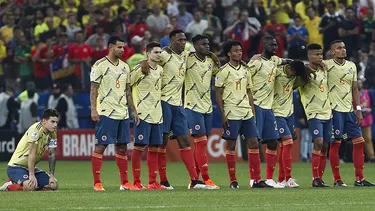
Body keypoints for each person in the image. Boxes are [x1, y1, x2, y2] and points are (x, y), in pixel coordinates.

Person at [141, 29, 210, 190]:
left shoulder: (186, 55)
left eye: (184, 40)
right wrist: (143, 62)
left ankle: (194, 180)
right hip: (164, 101)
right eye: (179, 40)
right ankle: (161, 181)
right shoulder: (164, 54)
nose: (182, 42)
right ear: (171, 41)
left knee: (184, 140)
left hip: (178, 105)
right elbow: (151, 60)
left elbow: (202, 53)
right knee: (162, 142)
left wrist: (212, 55)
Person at [216, 40, 270, 189]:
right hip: (231, 112)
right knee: (231, 144)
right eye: (235, 51)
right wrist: (222, 114)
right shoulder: (223, 71)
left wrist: (252, 110)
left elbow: (248, 91)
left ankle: (257, 180)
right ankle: (233, 180)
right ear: (228, 53)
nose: (238, 53)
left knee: (254, 143)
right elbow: (218, 94)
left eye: (240, 50)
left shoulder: (246, 70)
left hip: (246, 112)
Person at [90, 36, 140, 191]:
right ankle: (97, 182)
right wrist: (93, 109)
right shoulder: (99, 65)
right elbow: (94, 89)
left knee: (122, 147)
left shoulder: (125, 67)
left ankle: (124, 183)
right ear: (110, 47)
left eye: (123, 47)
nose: (122, 50)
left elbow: (127, 91)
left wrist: (133, 110)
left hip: (123, 112)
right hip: (106, 111)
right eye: (119, 47)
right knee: (101, 145)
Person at [324, 40, 375, 187]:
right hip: (334, 110)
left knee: (359, 142)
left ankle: (360, 179)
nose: (343, 50)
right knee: (336, 144)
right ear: (332, 52)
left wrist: (358, 109)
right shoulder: (326, 65)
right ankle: (337, 179)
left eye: (344, 47)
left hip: (349, 110)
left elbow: (355, 89)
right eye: (339, 48)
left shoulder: (351, 66)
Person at [247, 35, 291, 188]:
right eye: (272, 45)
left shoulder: (274, 61)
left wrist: (308, 64)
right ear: (263, 44)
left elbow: (287, 62)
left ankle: (269, 179)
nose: (274, 48)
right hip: (256, 106)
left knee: (273, 142)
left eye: (276, 45)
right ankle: (254, 178)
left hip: (269, 108)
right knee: (254, 142)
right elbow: (245, 76)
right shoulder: (255, 63)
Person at [185, 34, 220, 189]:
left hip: (207, 106)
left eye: (208, 44)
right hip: (192, 105)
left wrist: (214, 56)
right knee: (201, 141)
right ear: (194, 46)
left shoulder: (211, 61)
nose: (206, 46)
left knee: (201, 144)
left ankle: (195, 180)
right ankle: (206, 179)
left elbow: (218, 72)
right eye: (202, 44)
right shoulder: (187, 59)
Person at [129, 42, 166, 190]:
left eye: (160, 52)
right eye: (155, 52)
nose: (158, 54)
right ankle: (137, 182)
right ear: (148, 53)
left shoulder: (161, 70)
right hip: (143, 113)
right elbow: (127, 87)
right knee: (139, 147)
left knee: (155, 147)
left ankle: (152, 182)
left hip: (157, 113)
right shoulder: (140, 68)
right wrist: (133, 110)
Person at [0, 109, 59, 191]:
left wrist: (52, 176)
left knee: (53, 186)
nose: (55, 125)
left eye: (56, 122)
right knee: (30, 186)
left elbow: (51, 155)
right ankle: (8, 186)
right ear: (44, 121)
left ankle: (17, 182)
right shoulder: (35, 130)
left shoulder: (53, 134)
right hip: (16, 167)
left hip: (30, 168)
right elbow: (32, 153)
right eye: (52, 122)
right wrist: (31, 175)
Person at [299, 44, 332, 187]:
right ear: (309, 56)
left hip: (327, 111)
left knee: (325, 145)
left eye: (321, 54)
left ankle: (320, 178)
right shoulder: (304, 72)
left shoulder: (324, 70)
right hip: (313, 112)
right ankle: (315, 178)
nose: (319, 57)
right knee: (318, 142)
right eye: (316, 54)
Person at [273, 61, 307, 188]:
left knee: (284, 146)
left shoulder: (295, 76)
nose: (294, 76)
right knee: (288, 142)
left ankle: (283, 180)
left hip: (289, 113)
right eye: (293, 73)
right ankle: (287, 178)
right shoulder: (276, 72)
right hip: (276, 112)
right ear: (289, 67)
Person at [358, 79, 375, 162]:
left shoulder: (366, 92)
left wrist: (370, 109)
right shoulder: (352, 94)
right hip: (356, 119)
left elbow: (372, 104)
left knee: (368, 139)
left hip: (367, 118)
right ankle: (359, 157)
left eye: (360, 83)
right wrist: (360, 107)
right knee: (357, 140)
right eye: (357, 83)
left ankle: (371, 157)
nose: (359, 85)